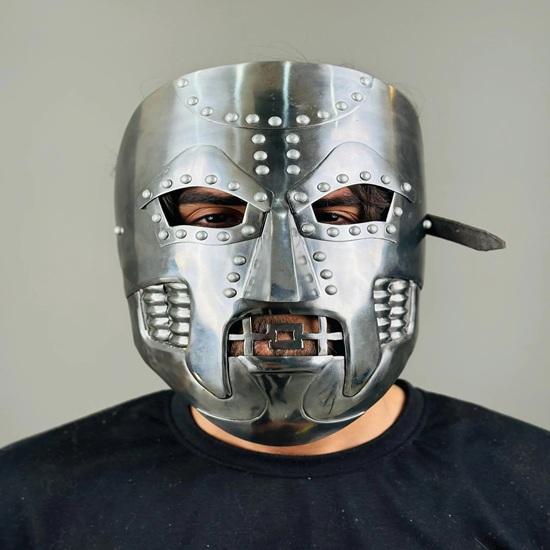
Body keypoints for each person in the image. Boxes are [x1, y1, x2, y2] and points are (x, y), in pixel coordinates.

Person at [1, 61, 548, 549]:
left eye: (338, 216)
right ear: (136, 244)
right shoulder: (24, 499)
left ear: (412, 236)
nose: (279, 284)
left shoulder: (533, 489)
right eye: (214, 218)